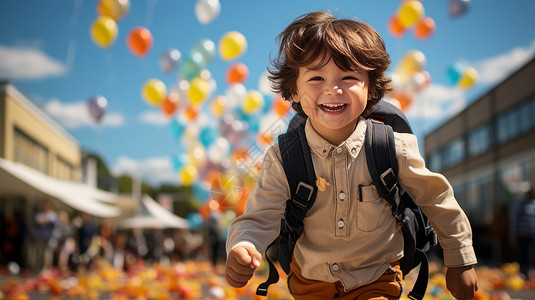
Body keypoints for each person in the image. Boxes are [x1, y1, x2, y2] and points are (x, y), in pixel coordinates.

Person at [225, 11, 478, 300]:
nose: (333, 89)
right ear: (294, 89)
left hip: (377, 277)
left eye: (348, 77)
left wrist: (460, 259)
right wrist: (243, 245)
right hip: (310, 281)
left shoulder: (391, 147)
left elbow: (437, 198)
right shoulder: (283, 157)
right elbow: (260, 216)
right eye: (316, 78)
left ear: (371, 88)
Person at [510, 187, 535, 278]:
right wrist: (513, 234)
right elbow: (514, 220)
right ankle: (522, 273)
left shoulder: (533, 203)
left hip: (532, 234)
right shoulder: (520, 203)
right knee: (522, 255)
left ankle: (530, 274)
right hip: (521, 234)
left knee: (531, 255)